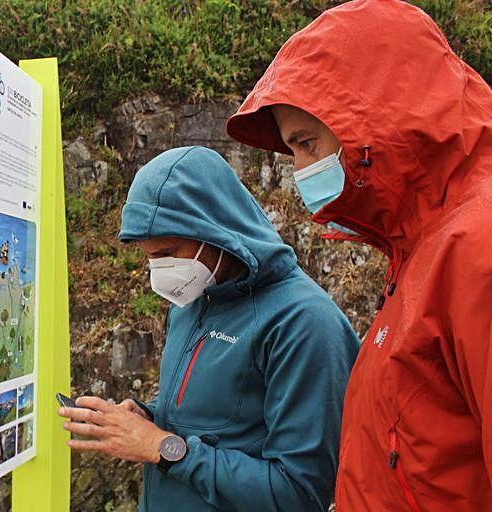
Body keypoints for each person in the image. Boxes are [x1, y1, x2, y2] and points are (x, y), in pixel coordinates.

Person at [225, 0, 492, 509]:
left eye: (306, 144)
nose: (299, 169)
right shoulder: (419, 253)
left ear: (376, 118)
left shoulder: (476, 247)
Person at [58, 146, 359, 511]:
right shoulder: (194, 297)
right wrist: (148, 417)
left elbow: (299, 493)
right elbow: (214, 414)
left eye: (167, 251)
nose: (157, 269)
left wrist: (162, 447)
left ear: (215, 232)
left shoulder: (305, 323)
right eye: (149, 256)